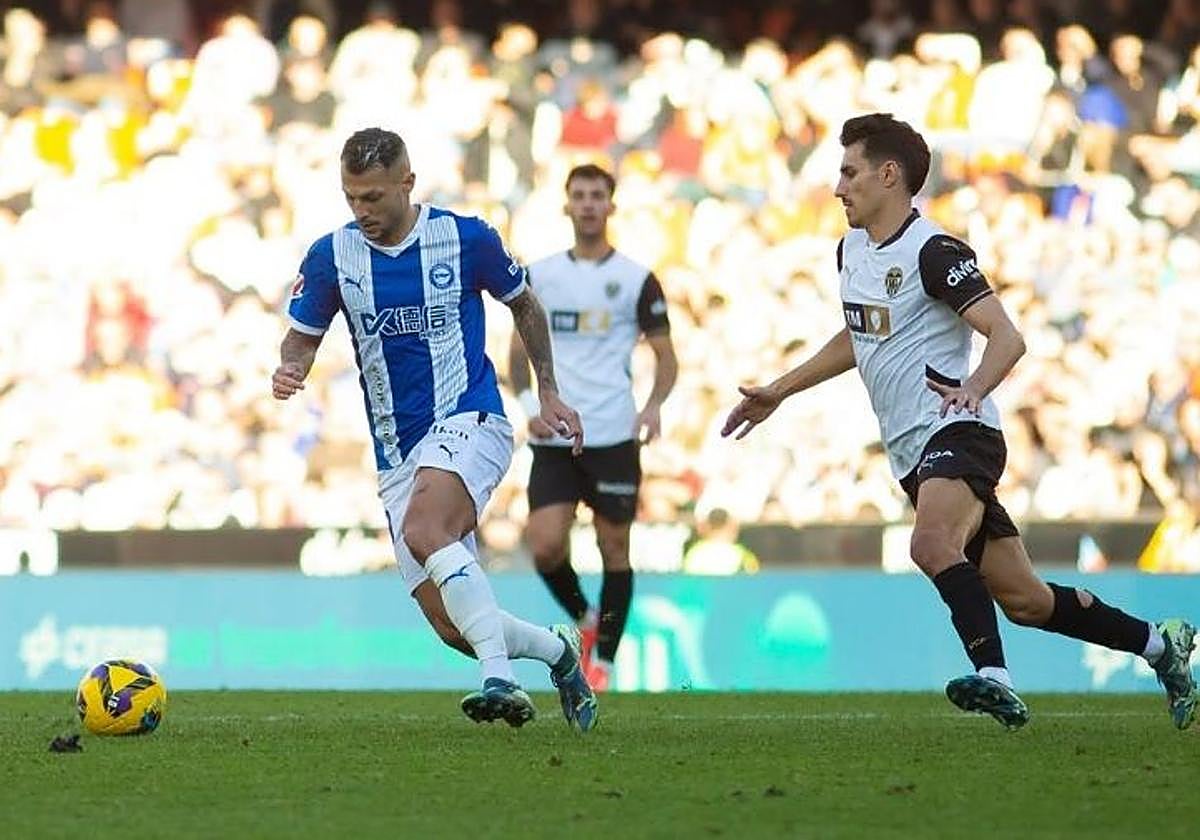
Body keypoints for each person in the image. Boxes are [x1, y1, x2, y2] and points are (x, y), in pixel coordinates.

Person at [722, 112, 1197, 731]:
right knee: (1026, 599)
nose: (837, 187)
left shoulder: (935, 250)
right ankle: (1163, 646)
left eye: (848, 172)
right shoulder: (851, 250)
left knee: (928, 544)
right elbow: (860, 335)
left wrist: (972, 390)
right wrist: (781, 390)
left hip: (960, 431)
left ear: (888, 175)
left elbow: (1007, 336)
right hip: (911, 451)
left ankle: (995, 678)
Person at [272, 127, 598, 732]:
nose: (362, 211)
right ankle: (559, 652)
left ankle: (500, 683)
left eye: (373, 197)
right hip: (397, 452)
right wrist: (293, 365)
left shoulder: (463, 238)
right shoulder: (331, 256)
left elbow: (524, 303)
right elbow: (303, 333)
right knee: (456, 628)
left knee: (427, 527)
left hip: (471, 418)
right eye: (351, 198)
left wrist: (547, 390)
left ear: (407, 183)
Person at [509, 163, 678, 691]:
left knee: (614, 549)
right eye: (578, 194)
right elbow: (516, 352)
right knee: (544, 545)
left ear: (611, 205)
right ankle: (585, 617)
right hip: (556, 435)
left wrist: (652, 406)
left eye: (596, 195)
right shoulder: (540, 274)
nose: (587, 203)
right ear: (566, 205)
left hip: (613, 432)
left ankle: (601, 662)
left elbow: (666, 356)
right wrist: (526, 402)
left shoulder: (635, 278)